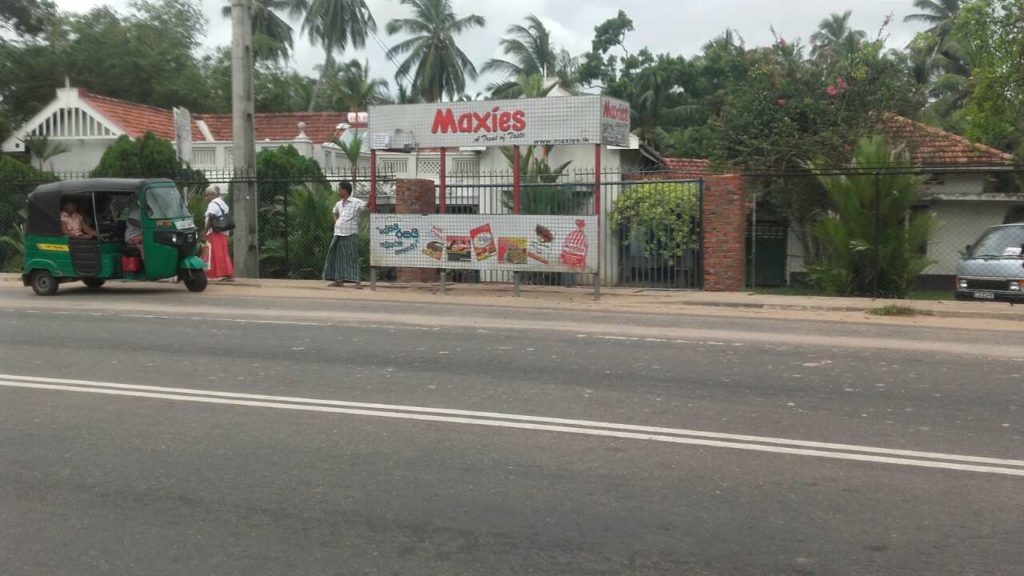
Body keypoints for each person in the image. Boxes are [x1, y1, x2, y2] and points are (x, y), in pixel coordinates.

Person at [323, 181, 366, 288]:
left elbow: (365, 207)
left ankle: (357, 281)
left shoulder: (356, 202)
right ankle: (338, 280)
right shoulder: (339, 203)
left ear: (345, 191)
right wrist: (336, 221)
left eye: (340, 189)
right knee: (337, 257)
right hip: (338, 233)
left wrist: (370, 199)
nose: (338, 191)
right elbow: (334, 211)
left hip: (350, 233)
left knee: (352, 256)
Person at [203, 185, 235, 282]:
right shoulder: (222, 203)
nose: (206, 197)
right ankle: (227, 274)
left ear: (212, 194)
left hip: (214, 232)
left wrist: (204, 232)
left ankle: (209, 273)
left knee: (211, 252)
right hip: (223, 231)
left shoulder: (212, 204)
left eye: (207, 195)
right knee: (222, 253)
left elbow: (211, 217)